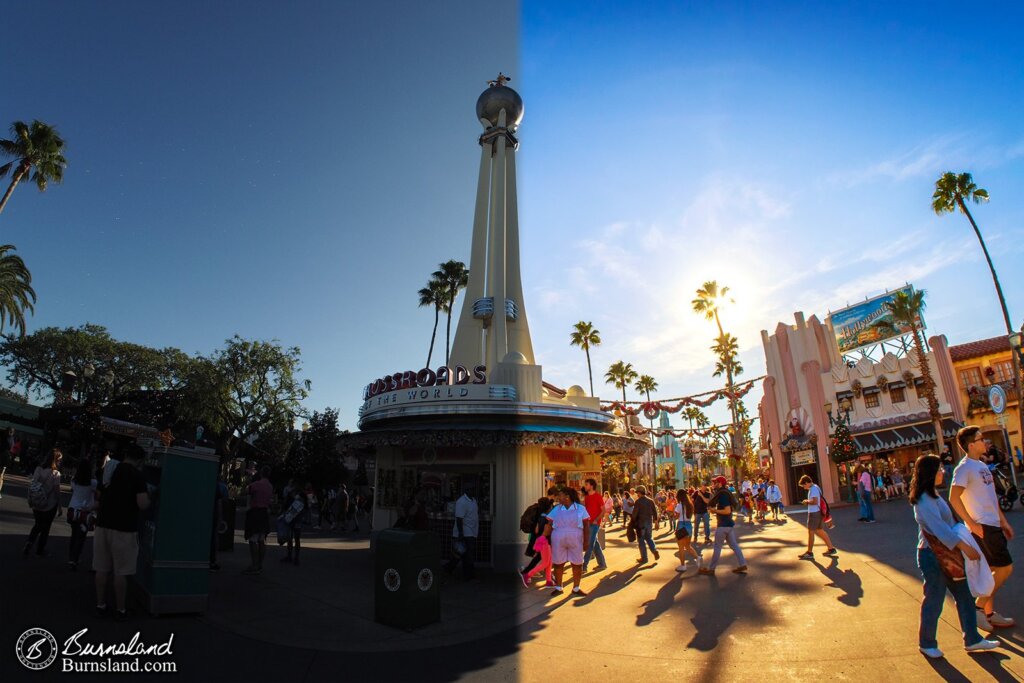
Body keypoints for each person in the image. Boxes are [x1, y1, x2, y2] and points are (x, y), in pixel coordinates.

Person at [911, 454, 1000, 658]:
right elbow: (940, 530)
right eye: (939, 468)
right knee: (934, 598)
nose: (943, 471)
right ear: (930, 473)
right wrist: (965, 547)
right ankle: (927, 642)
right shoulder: (924, 499)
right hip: (933, 555)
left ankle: (973, 639)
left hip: (947, 552)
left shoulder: (932, 494)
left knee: (964, 595)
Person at [949, 425, 1016, 631]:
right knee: (1005, 568)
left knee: (993, 570)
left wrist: (1003, 521)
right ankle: (977, 609)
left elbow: (991, 498)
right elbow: (953, 497)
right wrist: (971, 523)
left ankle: (988, 614)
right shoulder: (964, 468)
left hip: (993, 523)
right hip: (983, 526)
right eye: (980, 439)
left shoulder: (982, 466)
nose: (984, 442)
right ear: (970, 445)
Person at [94, 444, 150, 620]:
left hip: (103, 523)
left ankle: (100, 604)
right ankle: (120, 609)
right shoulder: (138, 476)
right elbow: (142, 504)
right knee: (121, 572)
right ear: (140, 460)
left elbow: (99, 494)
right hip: (124, 528)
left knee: (102, 568)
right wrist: (150, 498)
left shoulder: (111, 469)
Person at [543, 487, 589, 597]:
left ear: (567, 497)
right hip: (558, 538)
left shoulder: (580, 509)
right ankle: (559, 587)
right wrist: (544, 538)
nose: (559, 497)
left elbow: (586, 526)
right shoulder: (556, 509)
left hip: (576, 538)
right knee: (558, 563)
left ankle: (576, 588)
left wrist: (586, 542)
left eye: (561, 495)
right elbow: (549, 524)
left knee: (577, 563)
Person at [699, 476, 747, 575]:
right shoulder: (723, 493)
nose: (714, 484)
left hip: (723, 525)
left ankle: (711, 569)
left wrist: (715, 510)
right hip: (728, 524)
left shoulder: (723, 495)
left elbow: (727, 510)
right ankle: (742, 564)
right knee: (734, 545)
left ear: (720, 483)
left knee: (717, 547)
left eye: (715, 482)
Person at [24, 448, 64, 557]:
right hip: (49, 504)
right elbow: (57, 491)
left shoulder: (38, 469)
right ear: (55, 460)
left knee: (37, 524)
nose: (60, 462)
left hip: (37, 501)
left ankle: (29, 542)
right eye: (59, 459)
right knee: (46, 528)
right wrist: (60, 506)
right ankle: (40, 549)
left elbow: (34, 483)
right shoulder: (56, 473)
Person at [521, 486, 560, 578]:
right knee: (541, 556)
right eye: (556, 496)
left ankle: (548, 576)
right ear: (554, 495)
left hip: (539, 535)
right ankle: (527, 572)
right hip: (543, 535)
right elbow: (544, 520)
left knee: (541, 556)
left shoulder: (542, 503)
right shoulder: (547, 505)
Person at [67, 458, 98, 570]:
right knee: (81, 537)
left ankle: (71, 558)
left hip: (72, 510)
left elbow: (73, 489)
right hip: (85, 512)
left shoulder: (74, 481)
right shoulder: (93, 483)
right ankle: (75, 558)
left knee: (74, 535)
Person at [797, 474, 837, 560]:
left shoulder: (813, 489)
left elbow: (815, 501)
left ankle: (809, 552)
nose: (804, 487)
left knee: (811, 532)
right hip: (818, 512)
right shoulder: (816, 487)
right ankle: (831, 548)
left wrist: (806, 501)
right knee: (819, 530)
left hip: (814, 512)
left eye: (804, 485)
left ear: (807, 482)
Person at [445, 484, 479, 580]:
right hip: (465, 533)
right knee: (466, 555)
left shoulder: (473, 500)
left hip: (471, 532)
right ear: (466, 490)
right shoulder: (461, 501)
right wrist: (461, 534)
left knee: (462, 555)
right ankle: (468, 576)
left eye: (473, 489)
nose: (473, 491)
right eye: (471, 489)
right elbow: (459, 518)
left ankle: (449, 570)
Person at [243, 466, 273, 575]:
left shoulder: (256, 485)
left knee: (253, 539)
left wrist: (249, 480)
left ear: (261, 473)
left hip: (255, 511)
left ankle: (254, 564)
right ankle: (260, 564)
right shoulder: (270, 486)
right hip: (264, 512)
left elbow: (246, 491)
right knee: (262, 539)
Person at [521, 497, 555, 587]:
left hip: (543, 541)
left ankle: (548, 580)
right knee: (545, 563)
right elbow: (545, 530)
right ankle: (528, 574)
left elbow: (537, 531)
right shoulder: (546, 518)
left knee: (549, 561)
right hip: (545, 541)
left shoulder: (541, 516)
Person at [279, 481, 309, 565]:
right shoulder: (302, 496)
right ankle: (296, 558)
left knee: (290, 538)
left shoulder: (292, 494)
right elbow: (306, 507)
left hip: (291, 519)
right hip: (297, 519)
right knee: (296, 539)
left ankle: (290, 556)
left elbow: (286, 506)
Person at [581, 479, 608, 573]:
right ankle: (602, 564)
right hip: (588, 523)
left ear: (591, 486)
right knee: (594, 543)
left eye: (586, 484)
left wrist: (597, 519)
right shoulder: (587, 497)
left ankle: (584, 566)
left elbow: (603, 510)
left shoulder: (598, 496)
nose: (585, 486)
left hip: (595, 523)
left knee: (589, 544)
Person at [673, 489, 701, 573]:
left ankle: (683, 565)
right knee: (688, 546)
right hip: (689, 525)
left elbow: (676, 517)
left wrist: (674, 514)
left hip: (681, 525)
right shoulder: (690, 505)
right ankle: (697, 557)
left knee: (681, 547)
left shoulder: (679, 505)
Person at [632, 485, 660, 564]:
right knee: (649, 538)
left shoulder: (638, 502)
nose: (637, 494)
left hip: (641, 524)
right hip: (649, 522)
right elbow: (655, 512)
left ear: (640, 493)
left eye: (637, 493)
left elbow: (635, 514)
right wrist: (656, 522)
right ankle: (654, 550)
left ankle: (644, 558)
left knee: (641, 541)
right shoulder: (650, 500)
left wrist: (632, 523)